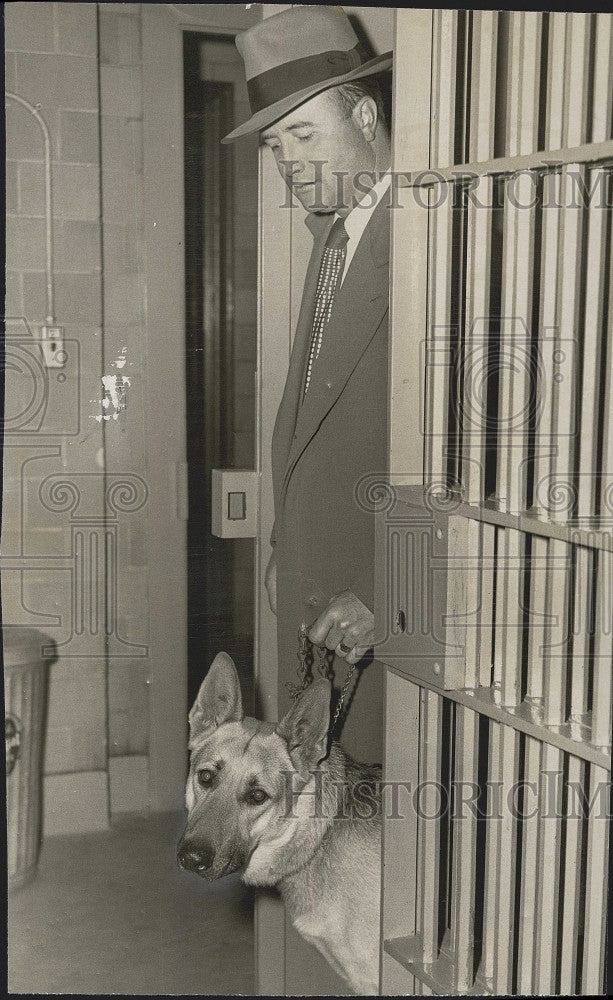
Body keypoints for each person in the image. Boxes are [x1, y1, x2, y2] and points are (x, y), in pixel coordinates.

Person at [224, 5, 392, 762]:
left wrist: (393, 589)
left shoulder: (439, 239)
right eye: (273, 143)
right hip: (318, 607)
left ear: (363, 113)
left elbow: (490, 451)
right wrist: (283, 550)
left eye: (302, 132)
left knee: (393, 852)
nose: (287, 160)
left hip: (386, 616)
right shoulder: (332, 238)